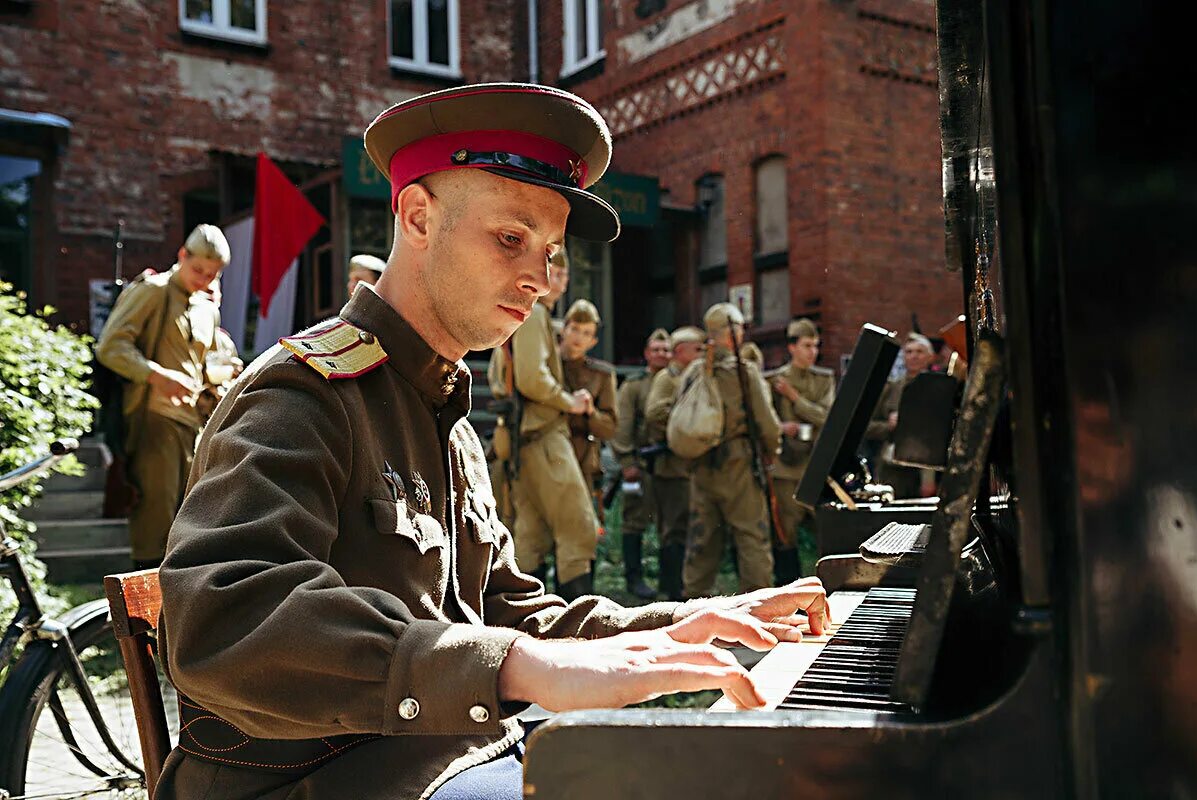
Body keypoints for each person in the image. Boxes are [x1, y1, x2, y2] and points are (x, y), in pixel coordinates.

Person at [155, 83, 829, 800]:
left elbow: (502, 615)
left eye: (550, 251)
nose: (540, 280)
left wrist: (681, 623)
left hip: (445, 761)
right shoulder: (305, 392)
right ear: (417, 216)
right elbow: (224, 612)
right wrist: (511, 665)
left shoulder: (440, 407)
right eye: (512, 238)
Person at [95, 223, 229, 567]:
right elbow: (110, 346)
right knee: (155, 528)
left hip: (195, 427)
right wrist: (155, 375)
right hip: (153, 422)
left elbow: (212, 363)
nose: (203, 279)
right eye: (197, 269)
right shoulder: (152, 291)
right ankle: (146, 616)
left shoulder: (206, 309)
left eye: (211, 274)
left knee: (191, 526)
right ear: (182, 256)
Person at [507, 249, 602, 599]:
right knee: (579, 529)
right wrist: (569, 401)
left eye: (564, 275)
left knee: (531, 534)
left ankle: (522, 620)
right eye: (555, 273)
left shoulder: (533, 315)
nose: (560, 282)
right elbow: (532, 378)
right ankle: (580, 625)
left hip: (526, 437)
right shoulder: (533, 316)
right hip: (544, 435)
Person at [678, 303, 782, 598]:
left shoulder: (694, 371)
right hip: (739, 466)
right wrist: (772, 451)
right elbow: (768, 424)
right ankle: (760, 605)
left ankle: (692, 605)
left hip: (702, 465)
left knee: (702, 541)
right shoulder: (744, 372)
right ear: (732, 332)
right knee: (752, 537)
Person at [765, 318, 835, 584]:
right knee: (786, 534)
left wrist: (795, 398)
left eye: (815, 346)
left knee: (826, 531)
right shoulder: (773, 381)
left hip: (817, 467)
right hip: (787, 467)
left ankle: (829, 586)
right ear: (792, 347)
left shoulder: (823, 379)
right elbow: (766, 420)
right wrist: (782, 427)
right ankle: (788, 591)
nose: (812, 352)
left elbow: (827, 417)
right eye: (806, 346)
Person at [643, 325, 706, 600]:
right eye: (697, 349)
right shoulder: (667, 379)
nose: (702, 354)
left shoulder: (693, 376)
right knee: (674, 529)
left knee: (689, 527)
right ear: (680, 351)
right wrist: (685, 421)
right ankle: (672, 591)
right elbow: (655, 412)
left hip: (689, 465)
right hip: (671, 467)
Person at [611, 327, 671, 599]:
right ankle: (634, 579)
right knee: (634, 521)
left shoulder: (677, 381)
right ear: (647, 354)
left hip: (671, 465)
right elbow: (622, 425)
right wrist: (626, 462)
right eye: (656, 349)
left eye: (666, 350)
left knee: (669, 523)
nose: (661, 354)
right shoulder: (634, 386)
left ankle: (668, 580)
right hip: (640, 463)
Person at [865, 332, 937, 498]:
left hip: (926, 467)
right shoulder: (891, 388)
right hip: (892, 467)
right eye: (909, 352)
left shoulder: (938, 387)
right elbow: (867, 426)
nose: (913, 356)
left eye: (919, 352)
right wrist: (888, 426)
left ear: (930, 356)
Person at [559, 298, 618, 497]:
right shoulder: (547, 366)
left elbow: (609, 428)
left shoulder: (602, 374)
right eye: (574, 329)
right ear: (563, 330)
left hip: (582, 456)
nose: (579, 337)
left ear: (593, 341)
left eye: (586, 333)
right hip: (548, 450)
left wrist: (591, 411)